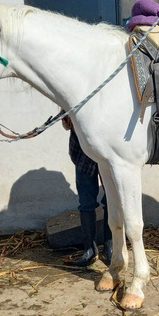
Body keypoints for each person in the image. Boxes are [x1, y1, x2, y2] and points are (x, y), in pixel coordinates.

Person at [62, 114, 112, 267]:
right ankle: (89, 249)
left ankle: (110, 245)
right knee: (86, 202)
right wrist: (68, 119)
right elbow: (65, 124)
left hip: (107, 150)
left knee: (111, 200)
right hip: (83, 151)